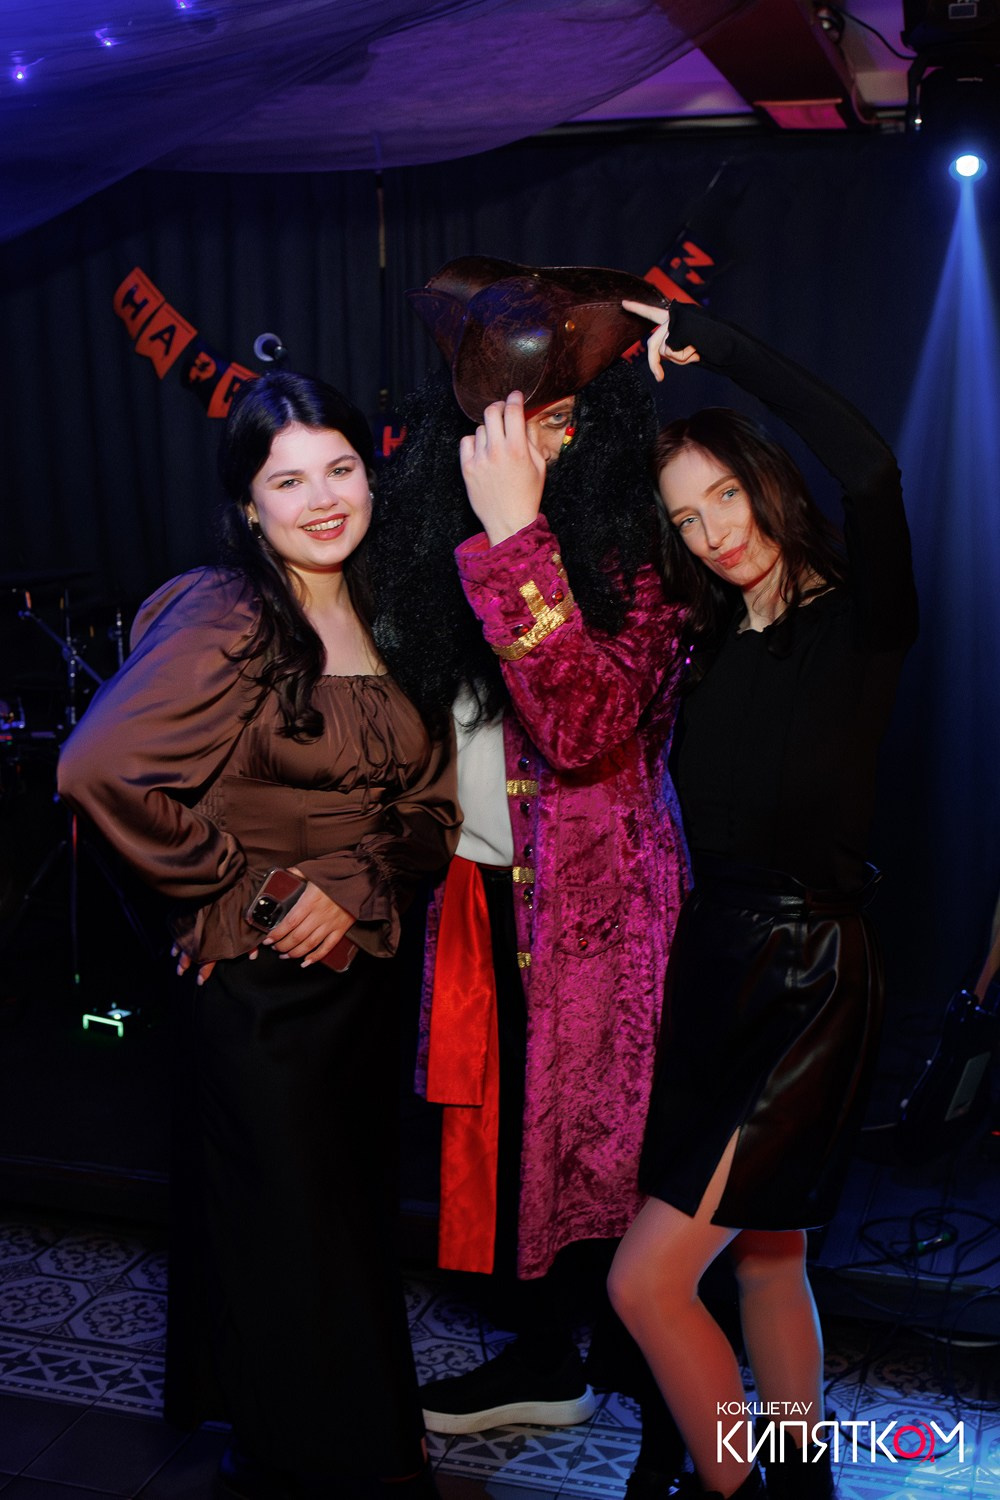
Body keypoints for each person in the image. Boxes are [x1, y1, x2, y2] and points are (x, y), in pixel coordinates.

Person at [56, 372, 460, 1500]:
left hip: (364, 976)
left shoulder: (388, 605)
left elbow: (430, 812)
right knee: (286, 1237)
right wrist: (259, 893)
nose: (322, 499)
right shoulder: (228, 612)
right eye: (288, 481)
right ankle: (320, 1460)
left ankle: (358, 1437)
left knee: (347, 1222)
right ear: (247, 504)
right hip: (264, 990)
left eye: (340, 469)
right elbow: (96, 771)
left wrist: (357, 881)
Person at [369, 258, 691, 1495]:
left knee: (613, 1159)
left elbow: (582, 721)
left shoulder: (641, 551)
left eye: (553, 418)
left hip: (601, 912)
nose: (524, 446)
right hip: (481, 894)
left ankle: (682, 1426)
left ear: (593, 422)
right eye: (501, 421)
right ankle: (549, 1359)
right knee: (514, 1153)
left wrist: (516, 532)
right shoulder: (433, 528)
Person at [607, 298, 919, 1500]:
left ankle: (742, 1493)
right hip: (713, 970)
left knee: (646, 1283)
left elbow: (870, 467)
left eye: (725, 496)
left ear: (765, 481)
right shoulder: (707, 647)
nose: (713, 532)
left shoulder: (862, 622)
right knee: (766, 1258)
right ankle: (798, 1477)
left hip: (810, 979)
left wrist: (725, 349)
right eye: (685, 518)